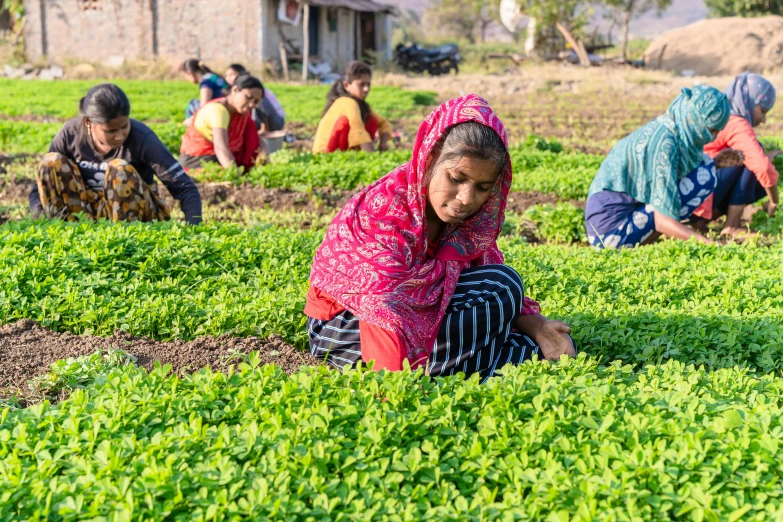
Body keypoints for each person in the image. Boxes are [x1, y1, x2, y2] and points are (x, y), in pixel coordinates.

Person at [305, 95, 576, 381]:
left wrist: (538, 327)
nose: (466, 199)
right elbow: (381, 307)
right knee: (502, 288)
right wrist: (395, 392)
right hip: (348, 329)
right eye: (456, 179)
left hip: (418, 313)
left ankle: (458, 366)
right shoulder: (386, 211)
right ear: (430, 159)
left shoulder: (470, 222)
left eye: (483, 187)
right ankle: (448, 369)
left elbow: (482, 280)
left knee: (516, 314)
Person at [30, 83, 202, 224]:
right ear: (89, 122)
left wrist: (194, 231)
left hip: (136, 220)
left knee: (119, 169)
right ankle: (68, 232)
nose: (120, 136)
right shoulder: (70, 134)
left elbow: (185, 188)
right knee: (50, 162)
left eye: (124, 126)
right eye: (111, 131)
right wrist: (40, 219)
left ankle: (124, 239)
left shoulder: (142, 138)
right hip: (86, 216)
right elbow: (41, 186)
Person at [584, 86, 732, 249]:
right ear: (694, 119)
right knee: (704, 177)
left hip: (626, 216)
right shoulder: (664, 145)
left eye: (717, 131)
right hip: (609, 235)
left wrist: (715, 162)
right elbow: (662, 220)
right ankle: (640, 246)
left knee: (706, 167)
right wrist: (711, 246)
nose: (713, 137)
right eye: (710, 129)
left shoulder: (672, 129)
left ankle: (645, 242)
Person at [692, 73, 779, 236]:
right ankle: (732, 225)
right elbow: (762, 166)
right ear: (750, 100)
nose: (764, 119)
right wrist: (774, 202)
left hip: (690, 195)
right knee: (750, 160)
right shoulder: (735, 122)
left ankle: (700, 221)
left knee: (751, 165)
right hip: (696, 197)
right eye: (763, 110)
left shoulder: (720, 114)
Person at [179, 74, 264, 171]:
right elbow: (220, 147)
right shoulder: (218, 111)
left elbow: (254, 139)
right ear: (235, 90)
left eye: (256, 101)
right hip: (198, 160)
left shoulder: (242, 114)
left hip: (221, 158)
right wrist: (234, 174)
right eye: (248, 97)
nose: (251, 104)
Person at [312, 61, 393, 154]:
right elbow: (358, 129)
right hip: (324, 153)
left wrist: (382, 144)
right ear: (346, 85)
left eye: (368, 84)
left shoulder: (360, 104)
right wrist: (373, 155)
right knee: (345, 122)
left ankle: (357, 153)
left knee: (371, 120)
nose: (366, 89)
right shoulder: (347, 102)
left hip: (345, 153)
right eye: (361, 84)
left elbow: (383, 123)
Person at [225, 64, 286, 134]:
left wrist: (264, 129)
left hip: (275, 120)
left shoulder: (255, 90)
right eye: (227, 75)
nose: (229, 78)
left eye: (232, 74)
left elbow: (264, 109)